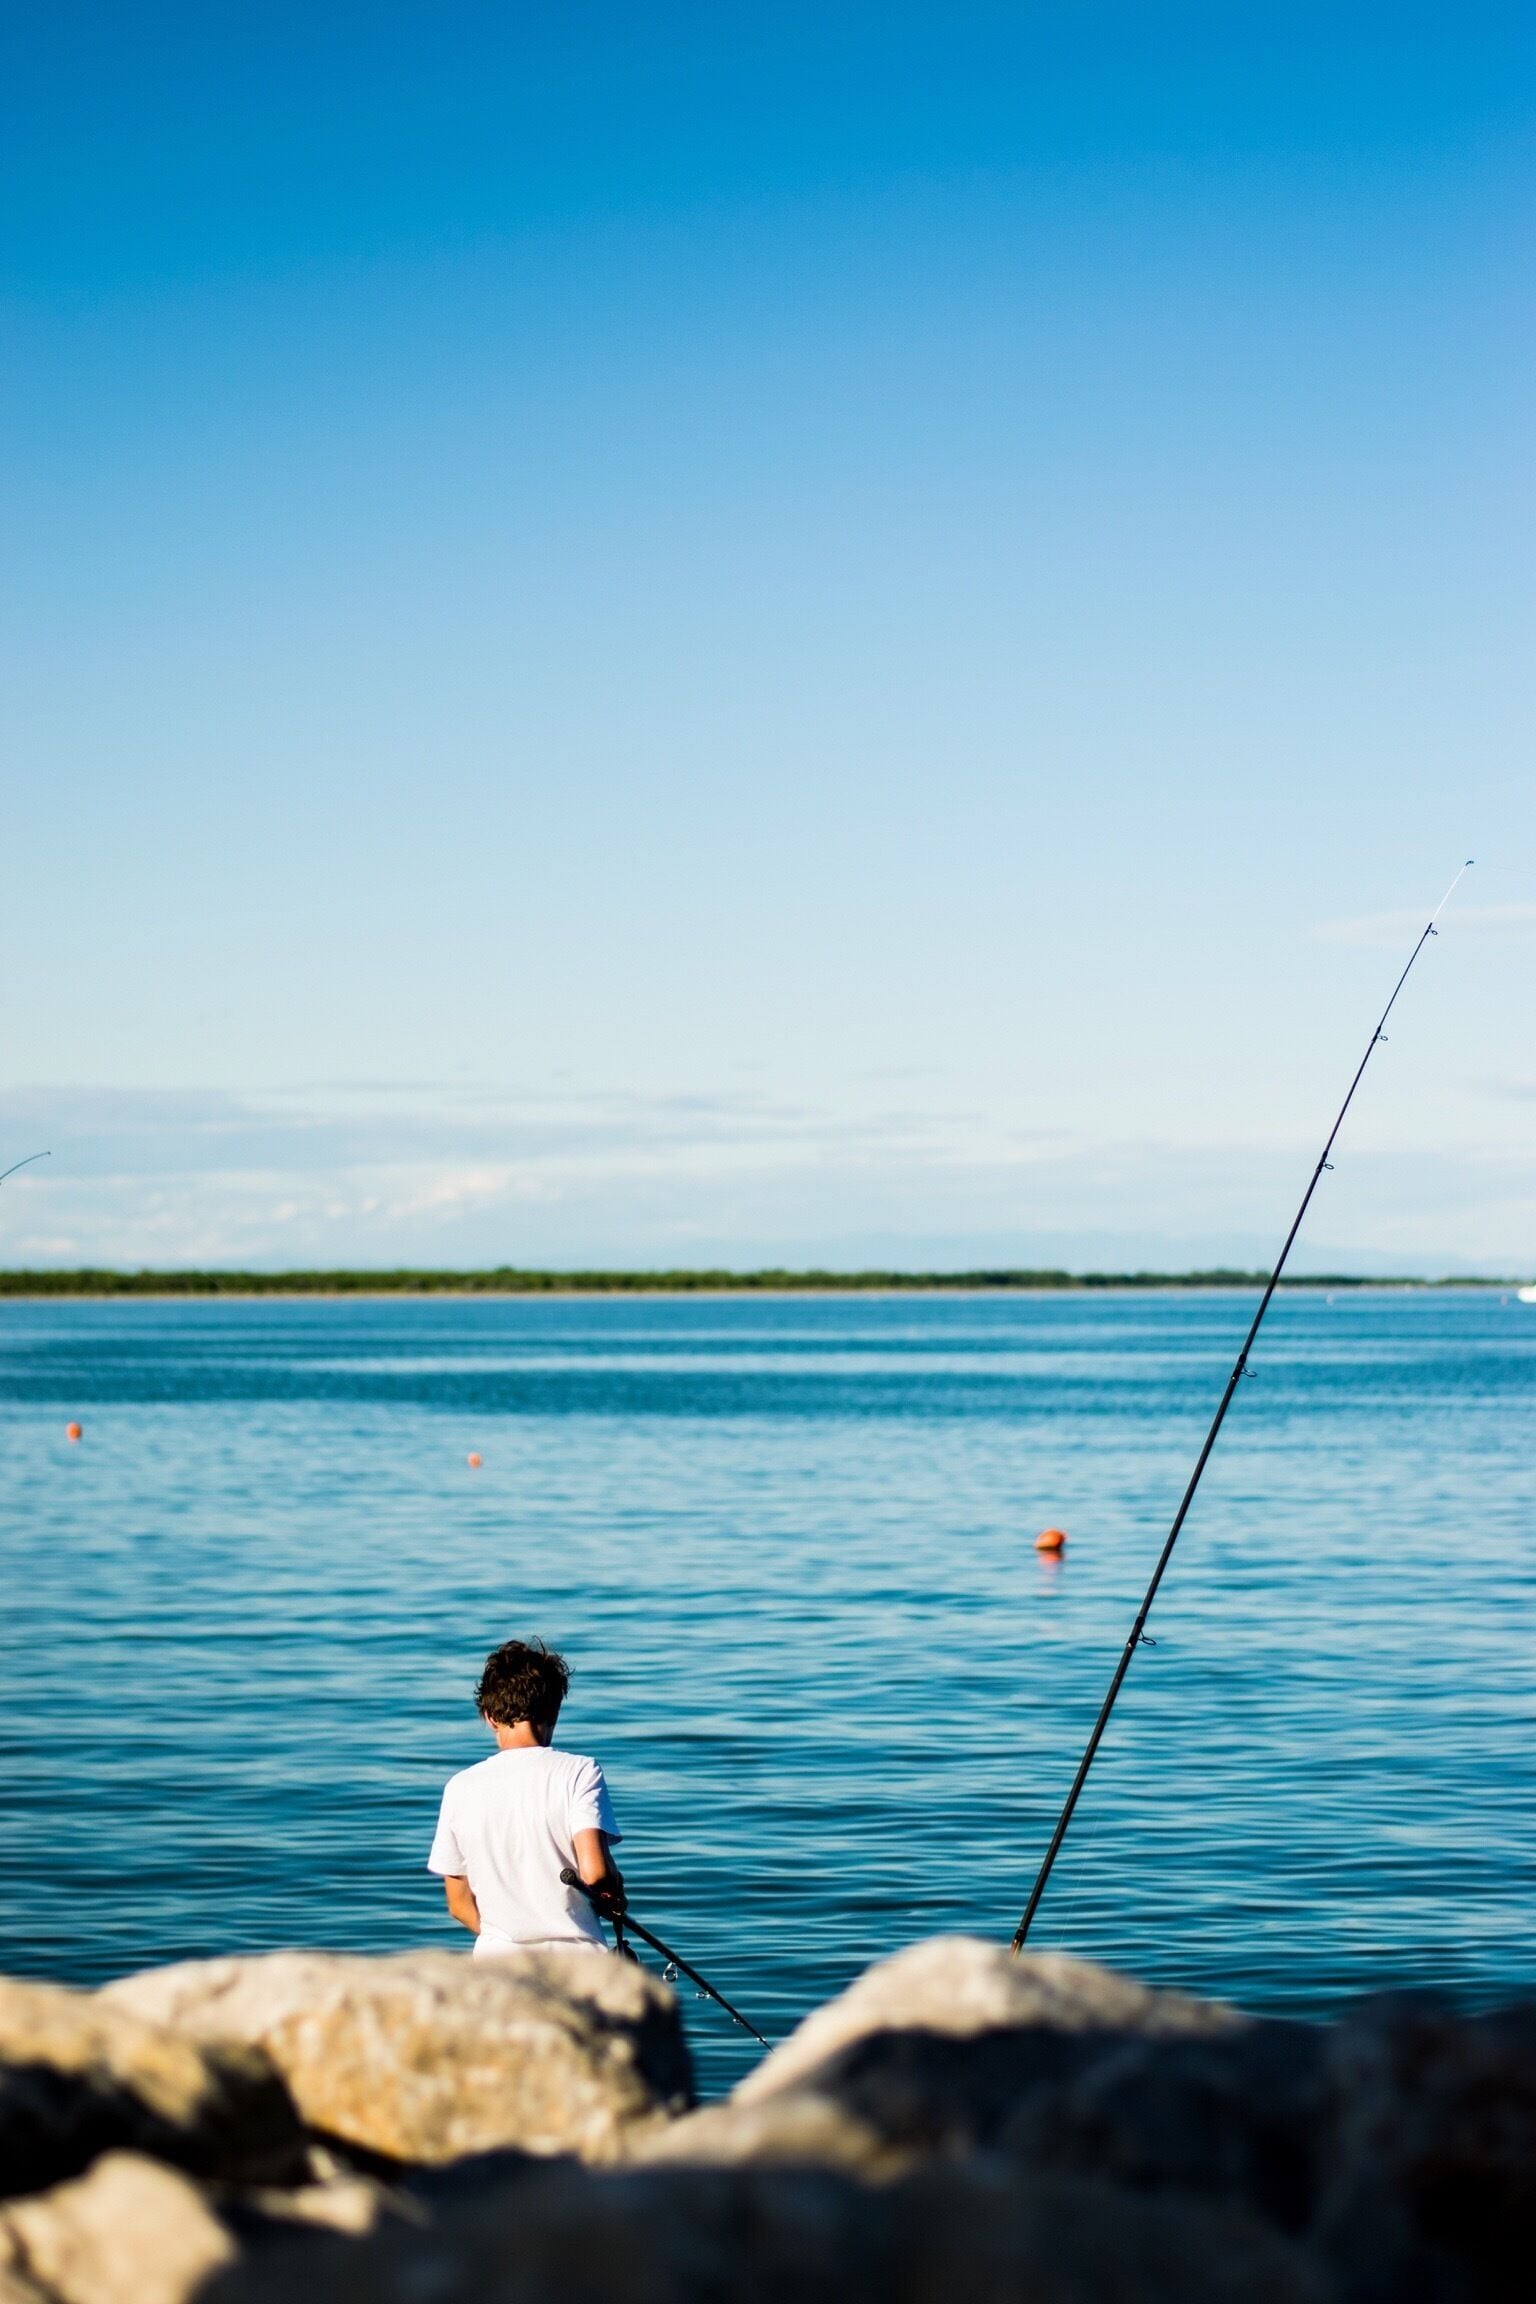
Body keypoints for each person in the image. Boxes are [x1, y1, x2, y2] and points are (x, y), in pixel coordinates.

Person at [427, 1638, 625, 1955]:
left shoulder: (460, 1786)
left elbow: (459, 1903)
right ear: (554, 1711)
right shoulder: (578, 1771)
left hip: (499, 1967)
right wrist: (615, 1890)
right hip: (579, 1962)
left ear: (490, 1716)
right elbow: (596, 1873)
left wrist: (504, 1936)